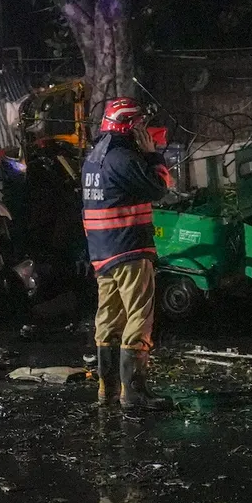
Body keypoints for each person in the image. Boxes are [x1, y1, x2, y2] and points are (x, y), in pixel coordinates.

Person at [82, 97, 173, 411]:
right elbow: (160, 187)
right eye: (141, 126)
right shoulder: (123, 158)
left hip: (103, 251)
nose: (144, 131)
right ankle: (133, 394)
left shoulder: (95, 156)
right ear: (131, 126)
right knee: (138, 318)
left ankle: (106, 393)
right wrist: (153, 155)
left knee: (108, 319)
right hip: (129, 247)